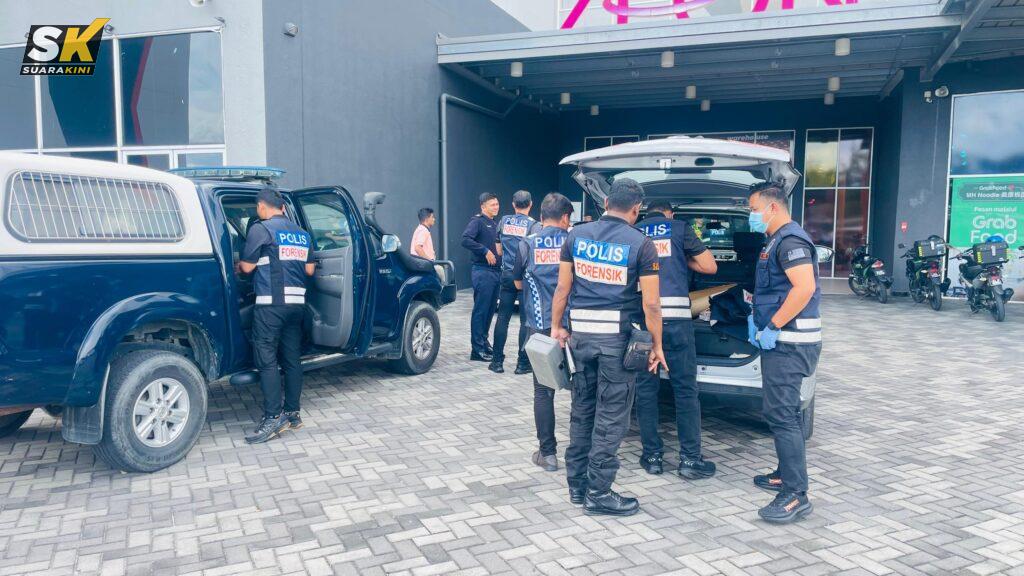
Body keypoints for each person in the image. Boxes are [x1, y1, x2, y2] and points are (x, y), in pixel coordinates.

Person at [550, 178, 668, 517]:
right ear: (636, 209)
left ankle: (577, 486)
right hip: (616, 345)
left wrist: (557, 327)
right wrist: (657, 345)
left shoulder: (576, 236)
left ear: (605, 203)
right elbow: (651, 304)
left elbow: (562, 288)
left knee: (582, 411)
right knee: (611, 417)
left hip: (580, 341)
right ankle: (599, 493)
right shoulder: (641, 244)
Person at [746, 181, 822, 524]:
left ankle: (795, 494)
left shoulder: (790, 241)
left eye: (753, 209)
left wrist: (773, 325)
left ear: (772, 207)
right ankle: (783, 473)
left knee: (783, 415)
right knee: (779, 410)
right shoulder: (775, 240)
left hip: (791, 342)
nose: (751, 215)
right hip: (783, 341)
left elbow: (803, 288)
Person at [634, 199, 719, 479]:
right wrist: (682, 259)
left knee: (646, 391)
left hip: (643, 323)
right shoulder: (680, 228)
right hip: (678, 323)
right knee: (685, 391)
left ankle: (652, 457)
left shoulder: (634, 231)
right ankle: (690, 460)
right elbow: (710, 267)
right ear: (669, 214)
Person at [237, 188, 316, 444]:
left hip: (271, 305)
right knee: (292, 360)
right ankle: (293, 414)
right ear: (283, 207)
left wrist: (239, 265)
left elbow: (247, 267)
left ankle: (272, 417)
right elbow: (310, 270)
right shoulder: (302, 234)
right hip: (297, 306)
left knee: (267, 360)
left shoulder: (261, 229)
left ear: (261, 207)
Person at [512, 193, 573, 470]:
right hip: (573, 328)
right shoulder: (575, 242)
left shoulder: (527, 243)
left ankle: (548, 455)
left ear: (540, 216)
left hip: (539, 328)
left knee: (543, 392)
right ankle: (580, 452)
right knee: (582, 392)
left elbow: (517, 283)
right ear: (565, 218)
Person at [490, 190, 540, 374]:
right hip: (525, 277)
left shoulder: (503, 221)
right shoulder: (535, 226)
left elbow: (499, 251)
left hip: (507, 274)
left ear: (513, 204)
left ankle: (497, 362)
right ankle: (522, 364)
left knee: (503, 317)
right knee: (526, 321)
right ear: (531, 204)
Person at [461, 193, 501, 362]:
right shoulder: (477, 221)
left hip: (495, 272)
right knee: (481, 310)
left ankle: (484, 343)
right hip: (483, 272)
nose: (496, 207)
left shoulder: (494, 223)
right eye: (492, 205)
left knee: (490, 310)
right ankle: (477, 349)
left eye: (497, 204)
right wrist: (485, 251)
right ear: (483, 207)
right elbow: (465, 239)